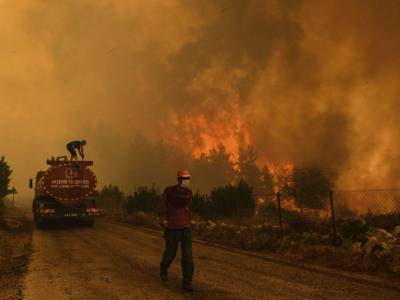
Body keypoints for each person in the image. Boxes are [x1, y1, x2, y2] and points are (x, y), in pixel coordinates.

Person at [159, 169, 194, 292]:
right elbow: (162, 206)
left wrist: (190, 221)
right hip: (173, 228)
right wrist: (162, 219)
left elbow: (189, 208)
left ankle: (187, 281)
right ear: (179, 180)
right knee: (170, 254)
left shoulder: (189, 193)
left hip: (185, 228)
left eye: (188, 179)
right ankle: (163, 269)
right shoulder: (169, 191)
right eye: (185, 179)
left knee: (188, 256)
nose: (187, 181)